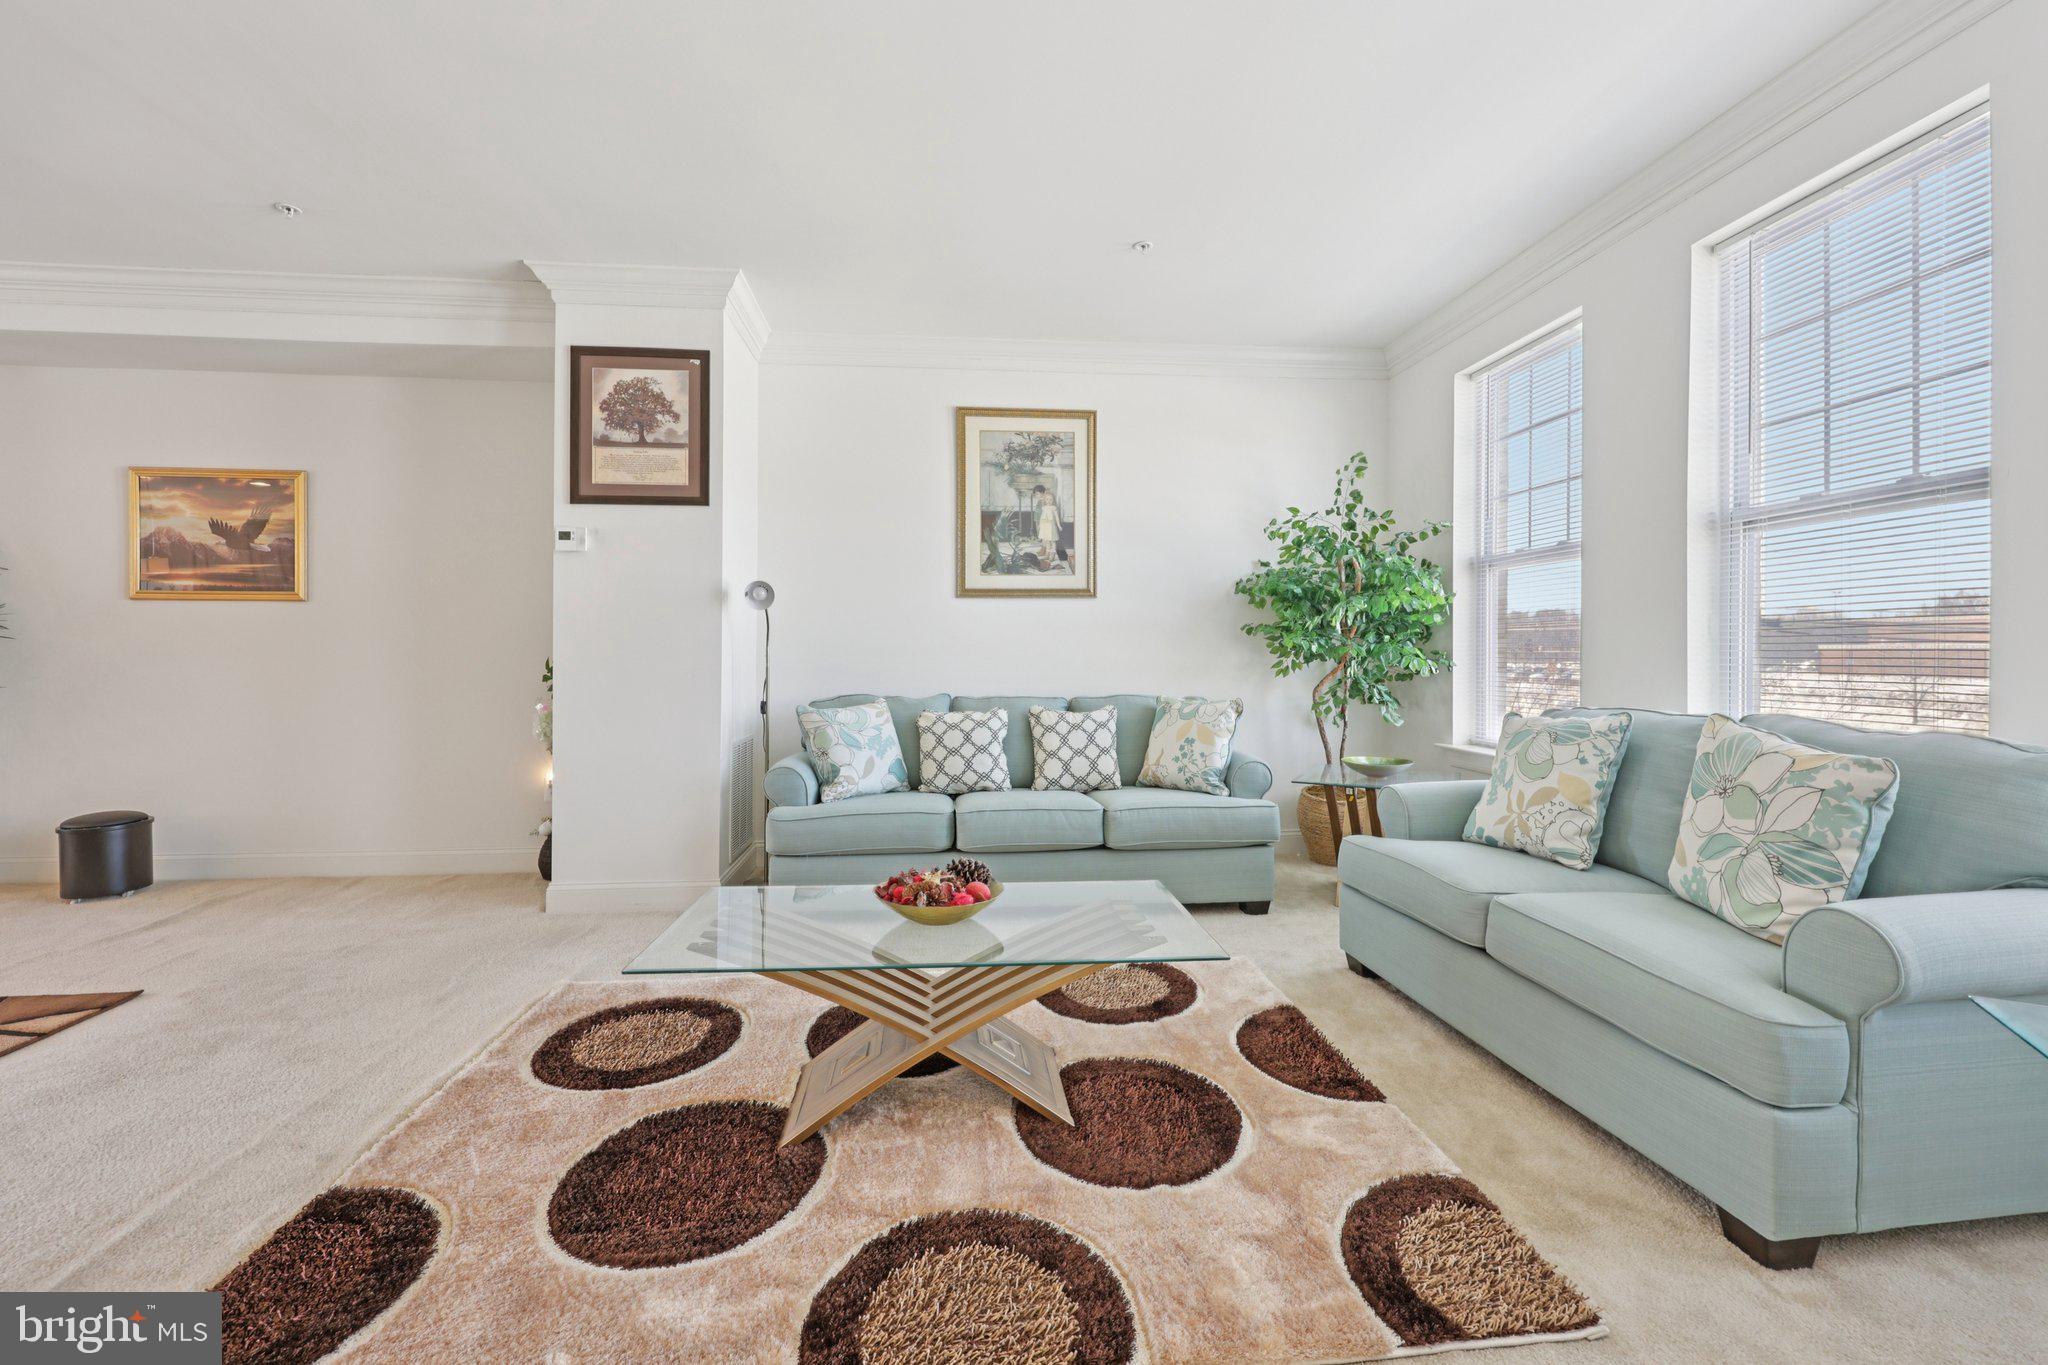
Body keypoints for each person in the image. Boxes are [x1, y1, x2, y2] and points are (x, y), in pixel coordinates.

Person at [1032, 484, 1063, 571]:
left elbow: (1056, 517)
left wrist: (1059, 525)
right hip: (1045, 526)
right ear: (1045, 500)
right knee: (1047, 540)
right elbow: (1042, 517)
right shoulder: (1044, 507)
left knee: (1052, 541)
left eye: (1050, 500)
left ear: (1052, 500)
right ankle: (1047, 553)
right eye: (1047, 499)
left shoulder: (1053, 508)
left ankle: (1052, 554)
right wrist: (1040, 525)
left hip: (1051, 526)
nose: (1049, 501)